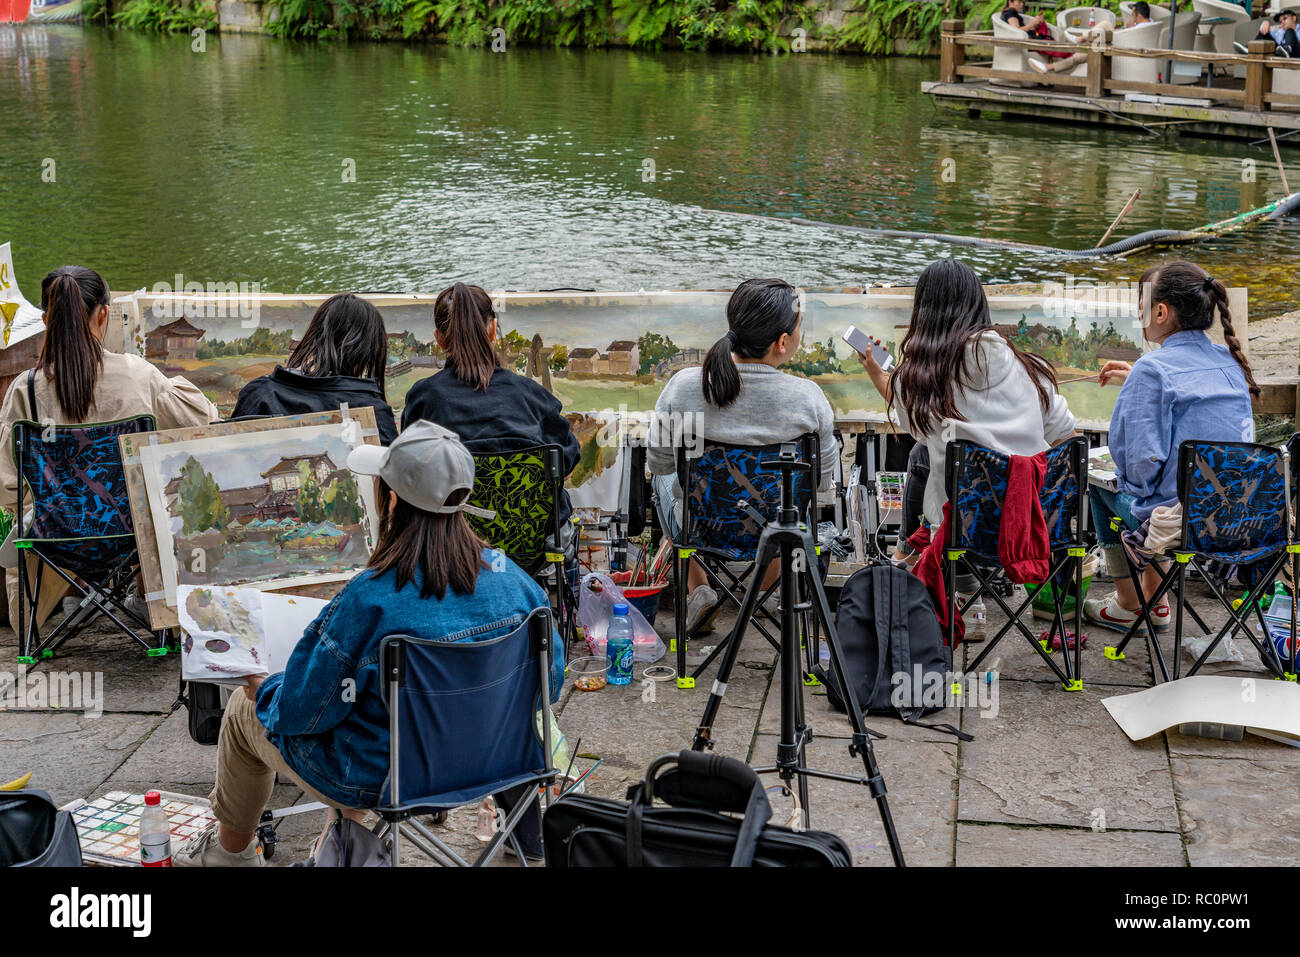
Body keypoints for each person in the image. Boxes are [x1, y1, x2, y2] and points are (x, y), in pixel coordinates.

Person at [174, 421, 566, 866]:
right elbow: (548, 684)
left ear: (393, 499)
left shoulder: (371, 597)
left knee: (249, 711)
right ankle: (338, 842)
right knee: (359, 709)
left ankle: (231, 855)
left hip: (386, 780)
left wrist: (262, 687)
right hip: (501, 762)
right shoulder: (516, 582)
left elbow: (303, 711)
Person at [0, 265, 218, 624]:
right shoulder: (138, 374)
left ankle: (77, 595)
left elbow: (8, 488)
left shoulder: (24, 390)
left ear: (45, 319)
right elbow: (201, 424)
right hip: (131, 536)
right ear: (104, 314)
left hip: (58, 541)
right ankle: (146, 597)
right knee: (162, 490)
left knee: (56, 504)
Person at [646, 278, 837, 634]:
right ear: (782, 343)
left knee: (662, 480)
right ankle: (763, 591)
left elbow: (659, 462)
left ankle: (699, 585)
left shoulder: (684, 387)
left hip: (703, 528)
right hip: (779, 533)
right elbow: (822, 483)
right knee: (795, 501)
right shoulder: (809, 399)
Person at [1083, 261, 1258, 633]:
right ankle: (1156, 599)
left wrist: (1130, 483)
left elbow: (1138, 466)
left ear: (1160, 312)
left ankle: (1131, 603)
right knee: (1171, 489)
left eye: (1140, 306)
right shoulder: (1229, 362)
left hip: (1182, 526)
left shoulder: (1153, 370)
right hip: (1237, 519)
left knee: (1107, 488)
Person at [856, 258, 1076, 535]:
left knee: (923, 452)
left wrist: (877, 374)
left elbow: (911, 419)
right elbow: (1067, 434)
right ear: (979, 305)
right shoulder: (1028, 368)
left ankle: (907, 550)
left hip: (962, 532)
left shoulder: (921, 380)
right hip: (1029, 525)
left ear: (923, 314)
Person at [400, 283, 580, 546]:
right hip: (536, 547)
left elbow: (408, 470)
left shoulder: (424, 398)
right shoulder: (530, 394)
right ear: (493, 329)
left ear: (439, 339)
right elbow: (567, 455)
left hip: (452, 546)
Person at [232, 293, 397, 445]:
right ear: (368, 350)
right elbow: (391, 473)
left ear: (314, 335)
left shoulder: (260, 392)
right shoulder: (373, 409)